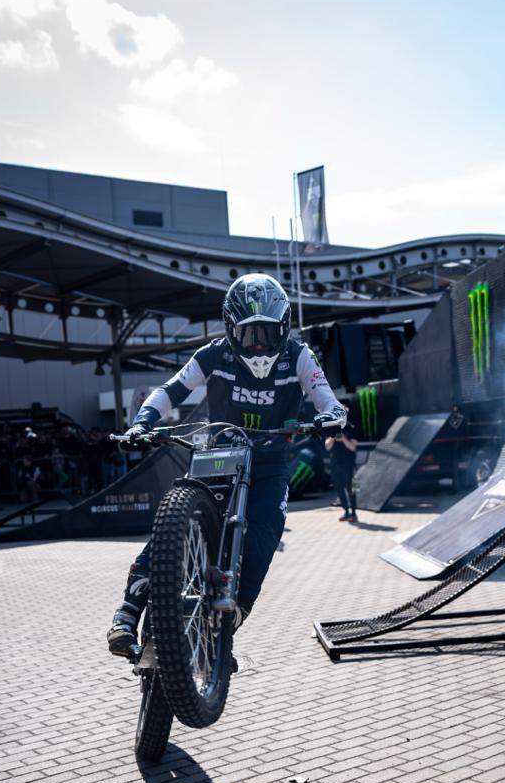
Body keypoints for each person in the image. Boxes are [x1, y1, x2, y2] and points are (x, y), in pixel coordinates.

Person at [107, 273, 346, 656]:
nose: (258, 345)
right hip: (217, 458)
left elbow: (326, 398)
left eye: (268, 333)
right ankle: (127, 612)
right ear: (230, 330)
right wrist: (143, 422)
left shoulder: (300, 355)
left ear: (284, 327)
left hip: (269, 464)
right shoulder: (212, 355)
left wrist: (331, 416)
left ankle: (235, 612)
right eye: (249, 335)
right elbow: (171, 390)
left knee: (266, 528)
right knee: (172, 523)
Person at [325, 406, 359, 523]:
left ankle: (354, 513)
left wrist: (344, 439)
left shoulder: (352, 428)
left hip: (348, 464)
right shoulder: (332, 429)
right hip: (335, 464)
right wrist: (334, 436)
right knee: (339, 489)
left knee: (351, 489)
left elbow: (353, 447)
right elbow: (327, 446)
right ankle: (346, 511)